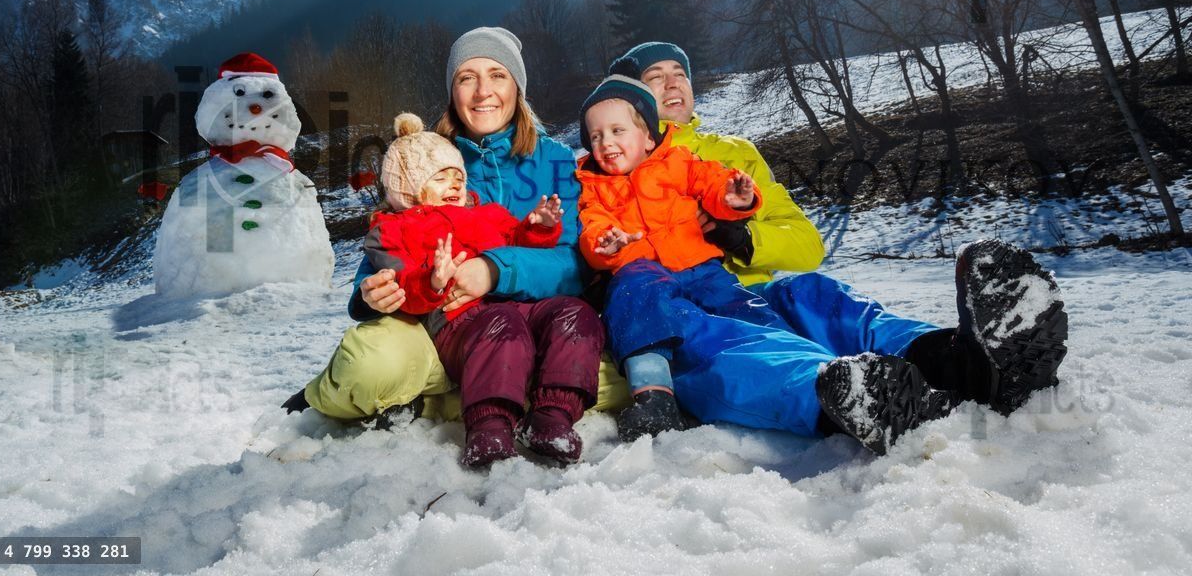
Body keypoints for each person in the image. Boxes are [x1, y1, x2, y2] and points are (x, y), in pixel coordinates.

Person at [598, 42, 1068, 453]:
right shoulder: (604, 170)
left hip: (754, 295)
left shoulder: (733, 153)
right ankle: (852, 395)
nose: (673, 84)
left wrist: (742, 238)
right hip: (688, 314)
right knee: (734, 349)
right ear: (629, 101)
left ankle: (959, 360)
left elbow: (806, 244)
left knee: (813, 294)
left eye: (680, 73)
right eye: (654, 78)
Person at [285, 27, 629, 437]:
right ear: (452, 92)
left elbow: (573, 265)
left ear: (517, 87)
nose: (483, 91)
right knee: (372, 366)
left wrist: (494, 270)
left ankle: (442, 400)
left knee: (610, 371)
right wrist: (371, 292)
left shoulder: (554, 160)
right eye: (467, 77)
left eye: (498, 75)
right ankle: (342, 391)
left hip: (535, 319)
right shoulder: (429, 154)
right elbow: (386, 242)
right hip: (439, 325)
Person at [361, 112, 601, 466]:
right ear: (409, 187)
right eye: (441, 178)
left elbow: (515, 240)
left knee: (573, 312)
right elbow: (398, 284)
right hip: (459, 321)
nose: (455, 184)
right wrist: (432, 281)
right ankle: (490, 428)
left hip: (510, 302)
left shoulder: (484, 212)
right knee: (501, 322)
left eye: (458, 176)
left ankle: (553, 417)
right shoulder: (393, 230)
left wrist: (537, 228)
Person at [575, 74, 766, 441]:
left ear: (648, 137)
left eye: (617, 130)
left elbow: (711, 182)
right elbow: (592, 225)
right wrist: (606, 243)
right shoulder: (593, 186)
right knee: (632, 299)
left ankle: (781, 351)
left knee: (738, 305)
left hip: (701, 266)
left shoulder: (677, 160)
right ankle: (654, 396)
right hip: (641, 270)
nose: (606, 142)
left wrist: (734, 199)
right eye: (596, 136)